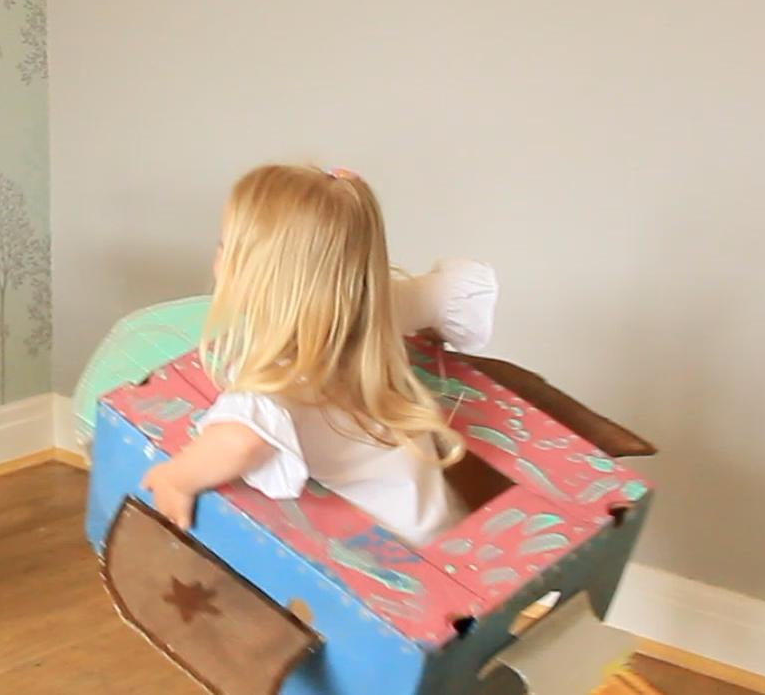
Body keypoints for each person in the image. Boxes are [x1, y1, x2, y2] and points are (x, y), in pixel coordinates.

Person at [139, 164, 499, 548]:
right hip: (444, 529)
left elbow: (239, 442)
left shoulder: (280, 373)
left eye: (225, 245)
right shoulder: (378, 306)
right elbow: (449, 291)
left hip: (387, 565)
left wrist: (175, 478)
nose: (218, 255)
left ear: (259, 275)